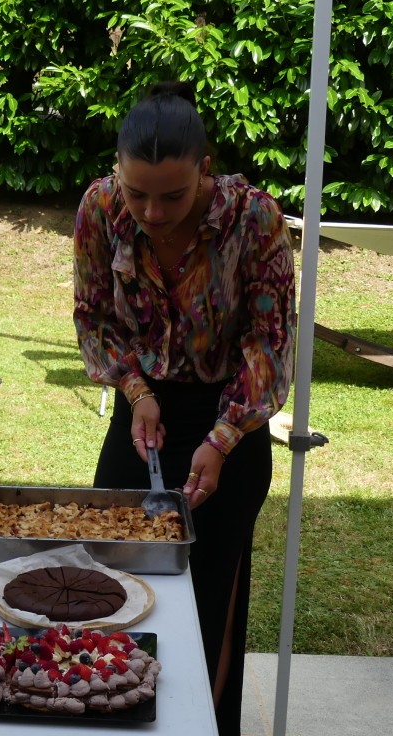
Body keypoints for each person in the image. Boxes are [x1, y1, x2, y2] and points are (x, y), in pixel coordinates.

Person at [73, 81, 296, 735]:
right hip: (139, 411)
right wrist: (136, 392)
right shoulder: (99, 208)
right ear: (117, 169)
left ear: (204, 171)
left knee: (208, 599)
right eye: (136, 191)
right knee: (107, 581)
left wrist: (221, 436)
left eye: (171, 195)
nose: (150, 210)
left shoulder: (254, 218)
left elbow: (268, 342)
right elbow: (92, 319)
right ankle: (111, 715)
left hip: (231, 421)